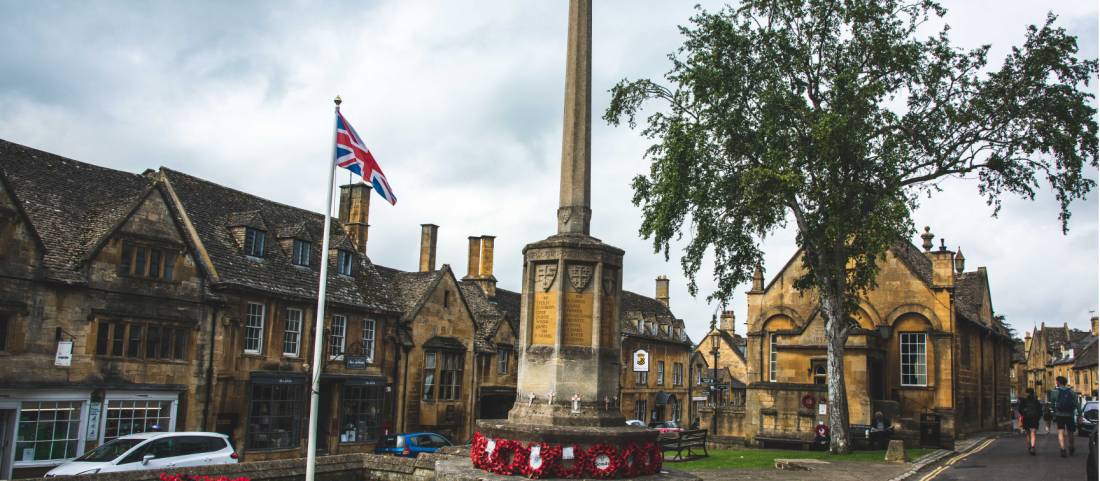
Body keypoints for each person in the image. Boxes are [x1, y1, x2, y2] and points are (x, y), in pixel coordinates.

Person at [1048, 375, 1080, 457]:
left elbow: (1052, 404)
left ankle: (1062, 449)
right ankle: (1071, 447)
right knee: (1071, 433)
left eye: (1056, 381)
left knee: (1061, 432)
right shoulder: (1072, 392)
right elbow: (1077, 404)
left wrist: (1055, 412)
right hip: (1070, 415)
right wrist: (1080, 414)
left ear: (1058, 382)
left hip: (1060, 415)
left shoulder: (1055, 392)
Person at [1018, 388, 1042, 455]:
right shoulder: (1036, 400)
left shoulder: (1024, 400)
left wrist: (1023, 415)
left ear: (1027, 393)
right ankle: (1033, 447)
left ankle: (1029, 447)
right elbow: (1040, 410)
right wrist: (1038, 418)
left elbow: (1020, 409)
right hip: (1034, 418)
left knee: (1028, 433)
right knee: (1033, 433)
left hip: (1027, 418)